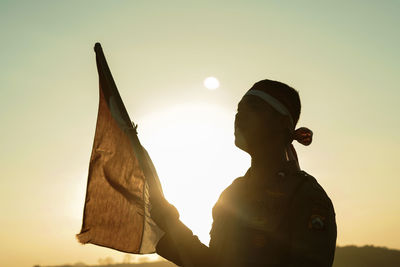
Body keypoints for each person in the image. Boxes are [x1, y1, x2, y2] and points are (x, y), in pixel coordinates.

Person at [150, 79, 337, 267]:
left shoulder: (307, 197)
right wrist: (171, 224)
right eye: (238, 110)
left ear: (282, 123)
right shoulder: (232, 193)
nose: (239, 117)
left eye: (253, 108)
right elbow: (213, 263)